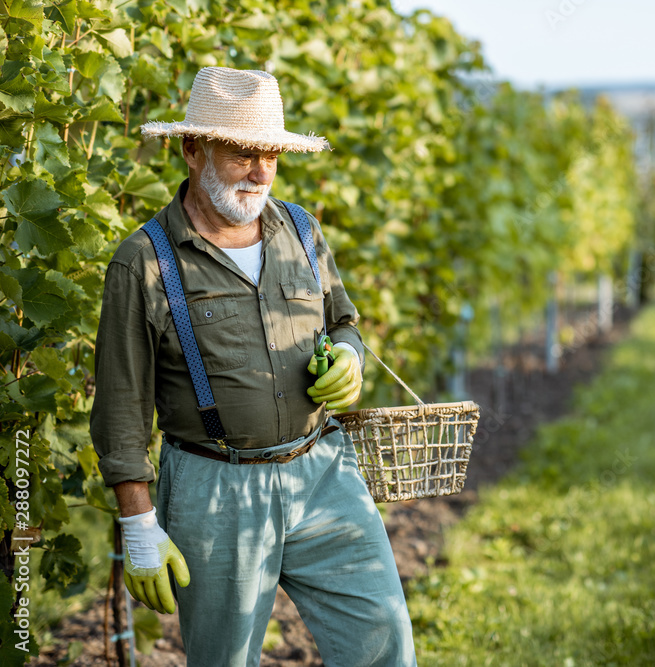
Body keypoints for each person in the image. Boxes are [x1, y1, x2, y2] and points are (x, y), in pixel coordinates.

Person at [89, 67, 417, 667]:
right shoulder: (145, 263)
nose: (260, 170)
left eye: (270, 154)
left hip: (324, 470)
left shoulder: (301, 229)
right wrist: (139, 525)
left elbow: (343, 320)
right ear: (192, 150)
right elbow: (120, 408)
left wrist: (346, 354)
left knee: (384, 634)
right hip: (218, 490)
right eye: (242, 153)